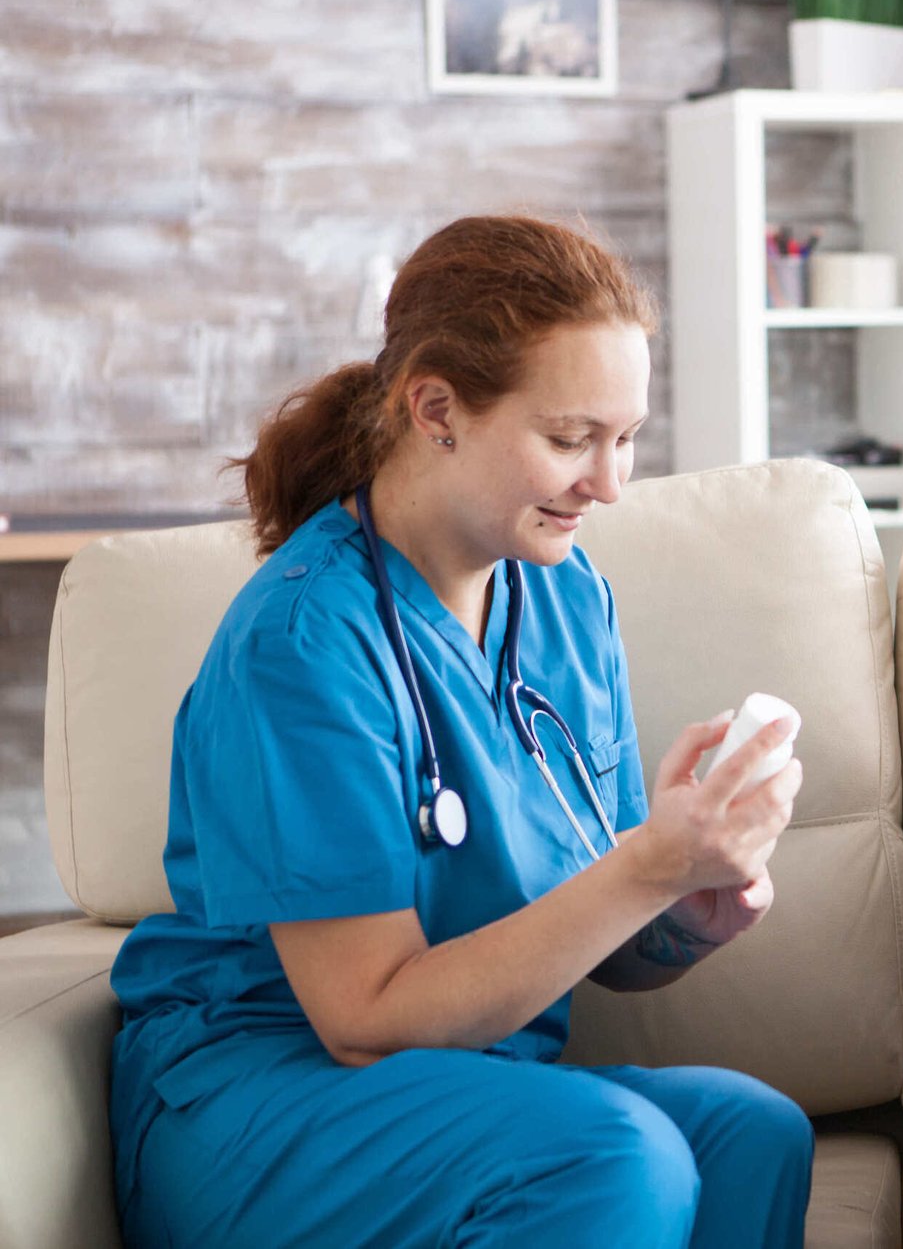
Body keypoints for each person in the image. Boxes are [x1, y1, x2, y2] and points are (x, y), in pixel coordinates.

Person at [108, 215, 813, 1249]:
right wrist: (643, 868)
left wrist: (684, 903)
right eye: (571, 439)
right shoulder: (303, 640)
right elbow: (363, 1016)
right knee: (616, 1153)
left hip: (471, 1084)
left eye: (626, 440)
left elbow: (595, 922)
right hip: (260, 1091)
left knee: (754, 1131)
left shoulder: (570, 604)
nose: (608, 483)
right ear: (435, 407)